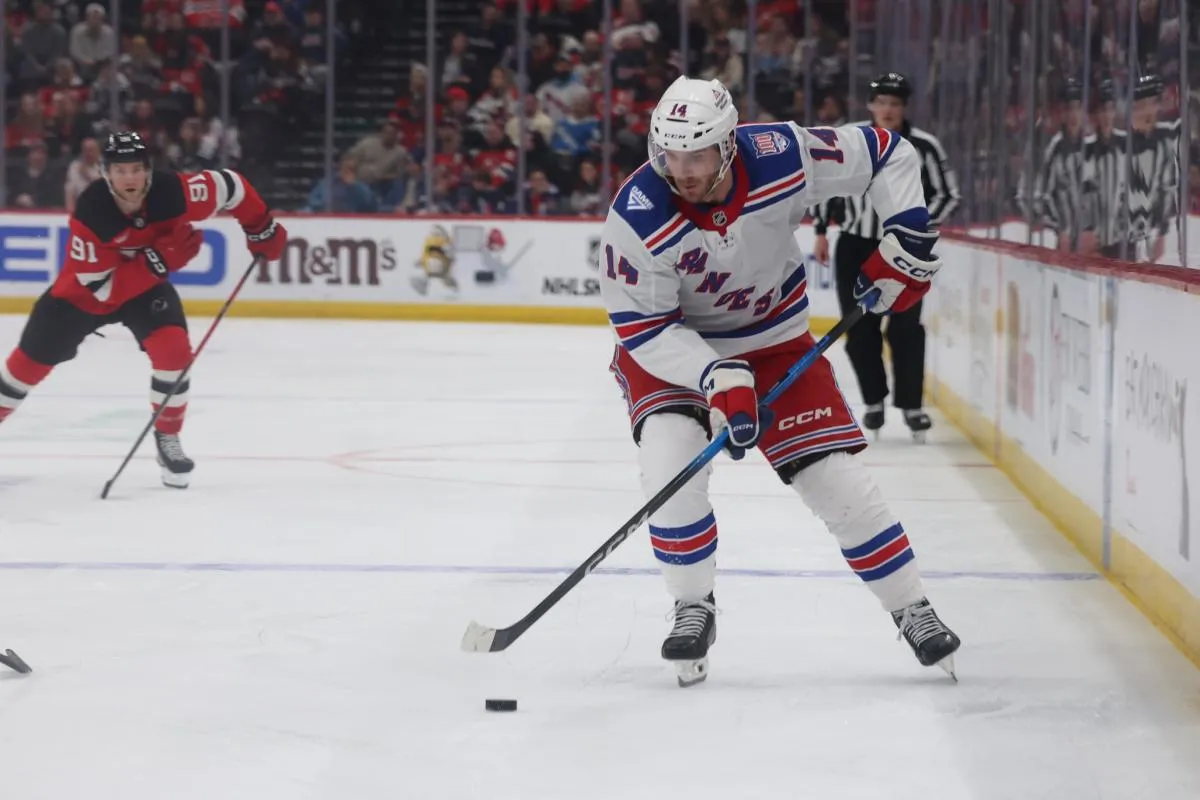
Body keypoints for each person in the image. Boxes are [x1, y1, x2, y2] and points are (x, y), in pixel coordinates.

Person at [600, 75, 960, 688]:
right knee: (669, 469)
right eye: (669, 156)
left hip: (773, 341)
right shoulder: (636, 216)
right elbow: (646, 328)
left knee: (839, 484)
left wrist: (907, 231)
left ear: (729, 145)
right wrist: (715, 376)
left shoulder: (782, 154)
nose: (681, 172)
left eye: (697, 156)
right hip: (675, 352)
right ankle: (692, 604)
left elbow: (886, 152)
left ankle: (912, 607)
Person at [0, 131, 287, 488]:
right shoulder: (92, 212)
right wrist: (160, 260)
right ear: (106, 174)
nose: (130, 178)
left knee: (174, 353)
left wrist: (260, 226)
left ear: (149, 170)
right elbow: (102, 291)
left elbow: (232, 187)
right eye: (120, 171)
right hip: (80, 297)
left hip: (145, 287)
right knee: (20, 373)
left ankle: (168, 438)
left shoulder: (174, 193)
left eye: (136, 169)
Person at [811, 73, 959, 441]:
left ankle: (912, 406)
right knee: (859, 328)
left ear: (904, 107)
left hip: (905, 251)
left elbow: (947, 194)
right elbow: (825, 182)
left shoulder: (924, 146)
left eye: (895, 103)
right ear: (870, 105)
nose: (888, 109)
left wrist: (916, 230)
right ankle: (873, 400)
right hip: (855, 245)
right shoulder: (851, 138)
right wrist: (820, 229)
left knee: (906, 328)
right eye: (882, 102)